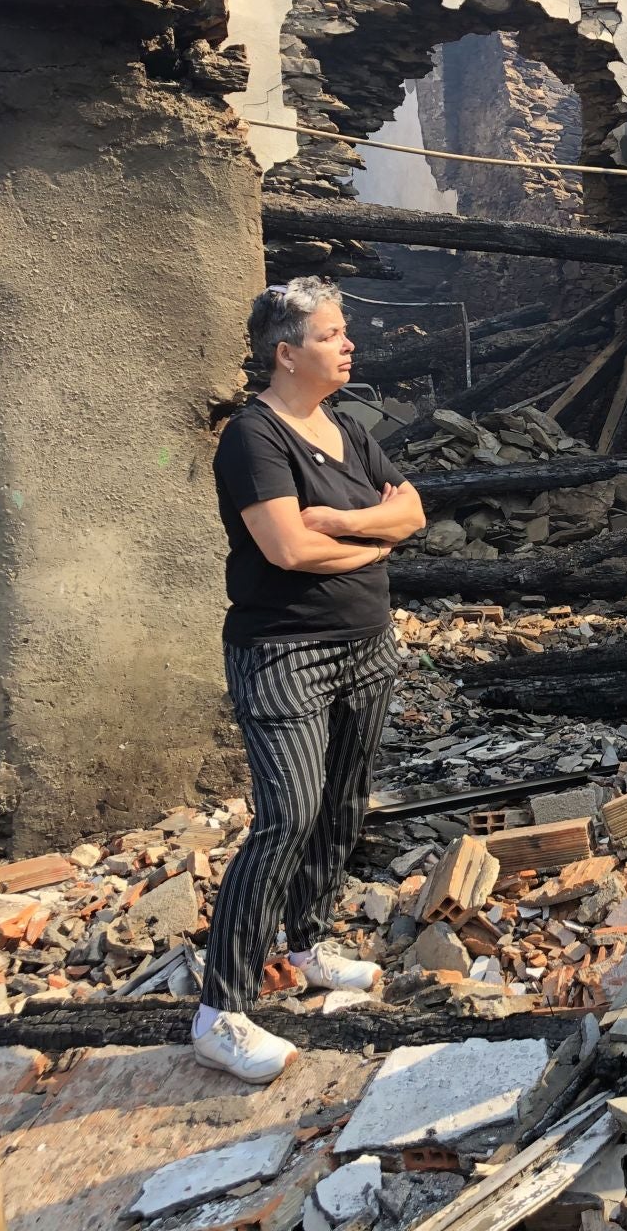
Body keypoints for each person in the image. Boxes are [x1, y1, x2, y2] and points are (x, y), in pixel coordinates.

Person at [192, 276, 428, 1082]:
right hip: (284, 653)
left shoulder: (346, 428)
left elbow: (414, 512)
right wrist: (374, 540)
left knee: (339, 808)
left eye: (344, 332)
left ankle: (308, 944)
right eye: (332, 335)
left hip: (367, 645)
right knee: (286, 816)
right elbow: (287, 550)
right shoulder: (254, 439)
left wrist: (348, 524)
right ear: (287, 354)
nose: (348, 344)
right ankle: (220, 1009)